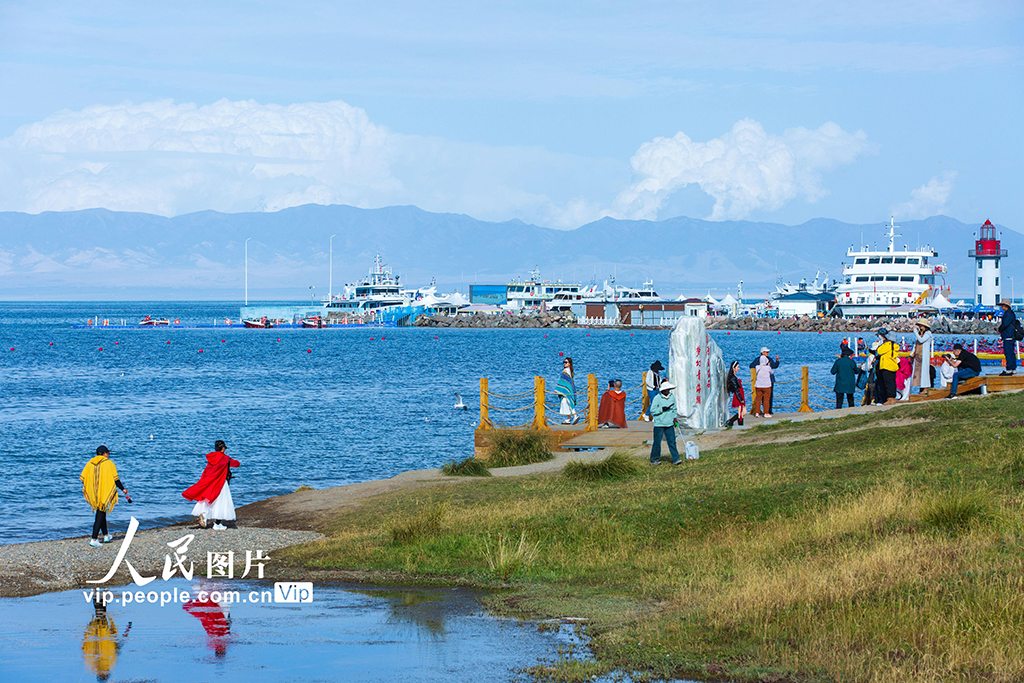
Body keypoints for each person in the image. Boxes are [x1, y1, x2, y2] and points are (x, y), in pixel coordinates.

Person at [80, 446, 130, 548]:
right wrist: (123, 489)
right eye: (108, 453)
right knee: (100, 514)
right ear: (104, 453)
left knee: (101, 512)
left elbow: (83, 478)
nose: (108, 455)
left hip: (94, 493)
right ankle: (94, 539)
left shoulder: (90, 463)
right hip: (104, 492)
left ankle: (106, 535)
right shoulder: (108, 463)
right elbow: (115, 479)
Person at [182, 440, 239, 530]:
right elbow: (236, 464)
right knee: (222, 502)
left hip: (211, 482)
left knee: (209, 499)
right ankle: (217, 524)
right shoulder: (225, 458)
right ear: (223, 449)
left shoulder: (211, 458)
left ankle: (204, 515)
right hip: (221, 483)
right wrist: (229, 459)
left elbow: (208, 470)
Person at [648, 381, 681, 465]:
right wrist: (662, 409)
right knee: (657, 442)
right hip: (659, 424)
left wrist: (675, 421)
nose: (667, 391)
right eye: (666, 390)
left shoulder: (672, 397)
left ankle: (676, 459)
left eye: (668, 390)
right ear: (662, 390)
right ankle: (654, 458)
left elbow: (674, 410)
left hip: (670, 423)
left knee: (672, 441)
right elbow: (653, 410)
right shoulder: (657, 398)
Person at [749, 349, 780, 414]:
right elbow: (751, 366)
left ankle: (769, 410)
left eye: (768, 352)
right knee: (761, 397)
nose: (768, 353)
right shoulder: (758, 360)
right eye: (766, 352)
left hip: (770, 380)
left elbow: (774, 366)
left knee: (769, 396)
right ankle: (762, 411)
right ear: (762, 352)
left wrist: (777, 361)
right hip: (762, 381)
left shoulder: (770, 359)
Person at [874, 328, 900, 405]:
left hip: (886, 365)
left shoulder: (888, 345)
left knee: (887, 383)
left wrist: (882, 342)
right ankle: (891, 398)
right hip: (892, 365)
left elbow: (879, 351)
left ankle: (890, 398)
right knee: (891, 382)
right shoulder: (894, 345)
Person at [831, 344, 858, 409]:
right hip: (850, 383)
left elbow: (832, 372)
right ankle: (852, 411)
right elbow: (856, 371)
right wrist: (859, 368)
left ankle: (838, 411)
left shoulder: (838, 362)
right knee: (850, 399)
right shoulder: (852, 362)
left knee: (839, 400)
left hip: (840, 383)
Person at [554, 357, 579, 424]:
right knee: (567, 402)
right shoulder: (570, 371)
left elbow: (561, 381)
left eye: (566, 362)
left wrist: (557, 389)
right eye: (564, 362)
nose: (564, 364)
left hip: (566, 390)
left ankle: (575, 416)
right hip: (569, 389)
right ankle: (568, 419)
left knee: (567, 402)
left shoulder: (565, 371)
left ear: (569, 363)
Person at [998, 300, 1018, 376]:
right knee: (1011, 353)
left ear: (1006, 306)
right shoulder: (1011, 313)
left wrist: (999, 329)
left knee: (1008, 353)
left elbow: (1005, 324)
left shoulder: (1008, 313)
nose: (1001, 306)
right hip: (1011, 335)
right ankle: (1013, 368)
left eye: (1002, 305)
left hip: (1008, 336)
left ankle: (1009, 369)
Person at [912, 320, 934, 390]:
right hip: (920, 355)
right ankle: (921, 387)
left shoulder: (928, 333)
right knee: (920, 371)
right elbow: (917, 343)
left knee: (925, 371)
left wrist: (915, 332)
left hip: (924, 355)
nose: (920, 327)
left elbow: (921, 340)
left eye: (921, 326)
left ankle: (926, 387)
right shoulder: (921, 333)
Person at [725, 361, 745, 426]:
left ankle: (731, 421)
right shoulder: (732, 377)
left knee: (743, 411)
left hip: (740, 394)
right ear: (733, 368)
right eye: (737, 367)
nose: (738, 368)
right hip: (738, 394)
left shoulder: (734, 376)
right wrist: (740, 398)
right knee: (741, 412)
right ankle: (738, 424)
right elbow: (736, 389)